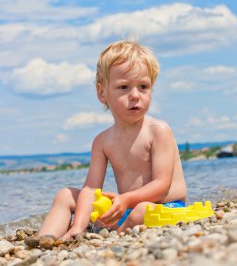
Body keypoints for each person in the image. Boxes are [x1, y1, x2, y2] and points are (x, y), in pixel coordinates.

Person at [38, 40, 187, 239]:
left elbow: (162, 186)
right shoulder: (102, 141)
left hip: (165, 206)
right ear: (102, 92)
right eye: (124, 87)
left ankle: (113, 234)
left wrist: (125, 199)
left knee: (141, 209)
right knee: (65, 195)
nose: (135, 95)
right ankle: (47, 238)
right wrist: (80, 223)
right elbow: (91, 188)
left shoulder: (158, 131)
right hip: (126, 207)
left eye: (143, 86)